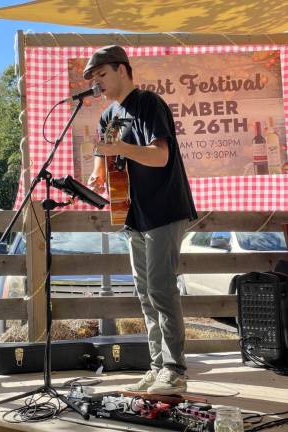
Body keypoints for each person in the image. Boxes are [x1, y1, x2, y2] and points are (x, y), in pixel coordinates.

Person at [83, 45, 197, 395]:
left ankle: (175, 369)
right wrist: (97, 173)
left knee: (162, 291)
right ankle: (157, 366)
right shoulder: (108, 116)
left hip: (164, 209)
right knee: (145, 295)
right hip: (132, 214)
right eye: (93, 78)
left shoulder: (149, 103)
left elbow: (161, 156)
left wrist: (121, 150)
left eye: (102, 74)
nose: (98, 82)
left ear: (122, 69)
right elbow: (104, 156)